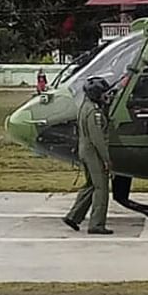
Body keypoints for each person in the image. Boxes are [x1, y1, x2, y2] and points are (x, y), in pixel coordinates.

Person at [63, 77, 115, 235]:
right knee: (101, 188)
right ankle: (96, 224)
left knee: (91, 184)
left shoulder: (85, 107)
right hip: (94, 153)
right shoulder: (94, 112)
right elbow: (97, 138)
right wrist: (106, 159)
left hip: (85, 150)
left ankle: (74, 216)